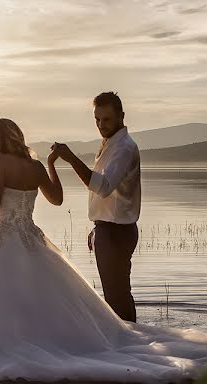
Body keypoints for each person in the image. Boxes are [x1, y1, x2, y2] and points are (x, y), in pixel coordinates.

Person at [0, 117, 207, 384]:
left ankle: (2, 342)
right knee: (33, 298)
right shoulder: (36, 167)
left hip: (0, 241)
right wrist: (51, 165)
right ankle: (41, 339)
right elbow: (56, 199)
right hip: (29, 239)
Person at [51, 91, 140, 322]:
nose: (101, 125)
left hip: (116, 233)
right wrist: (97, 227)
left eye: (106, 119)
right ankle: (131, 342)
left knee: (116, 297)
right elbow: (108, 199)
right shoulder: (111, 145)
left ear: (121, 115)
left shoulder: (124, 148)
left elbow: (103, 187)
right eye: (97, 120)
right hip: (109, 229)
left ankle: (130, 346)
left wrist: (71, 158)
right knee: (118, 295)